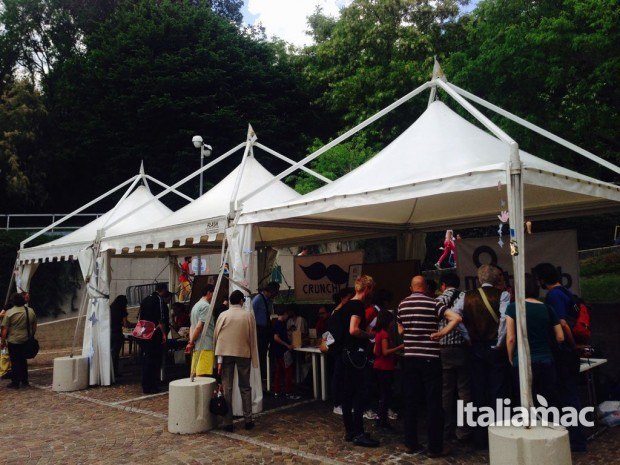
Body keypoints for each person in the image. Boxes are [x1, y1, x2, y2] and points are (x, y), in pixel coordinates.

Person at [398, 276, 461, 457]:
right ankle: (435, 447)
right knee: (434, 403)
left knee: (410, 402)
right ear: (425, 287)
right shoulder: (433, 303)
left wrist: (412, 331)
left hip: (410, 358)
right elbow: (456, 318)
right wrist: (441, 333)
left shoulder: (402, 305)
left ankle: (410, 443)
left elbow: (401, 330)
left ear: (411, 288)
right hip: (430, 358)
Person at [533, 262, 587, 452]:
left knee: (568, 396)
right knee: (570, 394)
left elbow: (562, 324)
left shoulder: (554, 296)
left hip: (564, 353)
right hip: (569, 353)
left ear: (541, 279)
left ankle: (576, 440)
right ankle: (577, 437)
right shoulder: (565, 292)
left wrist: (571, 345)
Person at [458, 264, 511, 450]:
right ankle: (501, 434)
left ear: (479, 278)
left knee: (477, 391)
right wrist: (500, 341)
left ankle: (480, 437)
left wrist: (467, 336)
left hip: (475, 347)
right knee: (498, 391)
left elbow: (455, 318)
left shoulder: (465, 296)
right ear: (496, 278)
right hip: (495, 347)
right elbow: (505, 319)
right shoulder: (503, 295)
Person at [505, 273, 564, 407]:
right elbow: (560, 336)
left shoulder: (513, 308)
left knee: (525, 400)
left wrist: (510, 357)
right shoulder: (547, 308)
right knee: (547, 400)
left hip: (522, 360)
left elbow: (511, 338)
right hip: (546, 359)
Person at [339, 275, 380, 448]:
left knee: (348, 395)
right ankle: (358, 432)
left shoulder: (345, 305)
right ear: (368, 288)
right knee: (359, 394)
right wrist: (369, 334)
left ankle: (350, 431)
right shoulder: (357, 306)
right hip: (355, 355)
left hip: (345, 355)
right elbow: (353, 330)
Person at [214, 290, 259, 432]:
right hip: (243, 353)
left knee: (227, 388)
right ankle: (248, 420)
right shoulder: (248, 315)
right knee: (245, 387)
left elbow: (216, 335)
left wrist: (218, 357)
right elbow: (253, 337)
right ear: (241, 301)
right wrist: (254, 357)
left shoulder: (223, 315)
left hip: (226, 353)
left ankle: (228, 422)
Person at [436, 273, 471, 442]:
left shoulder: (437, 300)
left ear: (443, 285)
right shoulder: (466, 297)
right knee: (464, 391)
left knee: (446, 391)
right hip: (462, 348)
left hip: (443, 349)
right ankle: (464, 430)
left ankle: (444, 429)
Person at [373, 310, 403, 429]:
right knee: (386, 395)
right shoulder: (385, 334)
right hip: (385, 367)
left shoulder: (378, 333)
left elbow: (375, 351)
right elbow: (385, 352)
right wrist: (399, 348)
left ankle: (380, 419)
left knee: (382, 395)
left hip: (378, 366)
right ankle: (382, 420)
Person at [138, 283, 171, 394]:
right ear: (164, 290)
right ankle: (152, 384)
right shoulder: (159, 300)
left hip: (144, 332)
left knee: (146, 359)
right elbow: (161, 319)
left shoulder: (145, 299)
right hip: (155, 334)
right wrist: (164, 334)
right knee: (154, 360)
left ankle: (146, 384)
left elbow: (140, 317)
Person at [1, 292, 37, 388]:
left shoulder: (9, 313)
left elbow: (4, 330)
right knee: (23, 360)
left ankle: (15, 382)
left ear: (13, 302)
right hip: (26, 339)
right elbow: (34, 326)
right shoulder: (30, 311)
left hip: (13, 340)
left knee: (15, 361)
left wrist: (3, 342)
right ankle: (25, 380)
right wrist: (31, 336)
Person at [328, 287, 354, 416]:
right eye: (349, 298)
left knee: (343, 377)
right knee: (338, 376)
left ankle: (343, 403)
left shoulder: (341, 312)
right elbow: (335, 335)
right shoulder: (337, 313)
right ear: (343, 298)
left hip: (342, 350)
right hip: (339, 350)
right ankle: (337, 403)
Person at [251, 281, 279, 379]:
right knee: (260, 352)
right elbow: (251, 313)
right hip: (259, 329)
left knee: (268, 351)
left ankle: (267, 373)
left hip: (267, 328)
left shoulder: (270, 301)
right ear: (271, 291)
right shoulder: (258, 299)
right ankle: (259, 375)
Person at [186, 285, 215, 377]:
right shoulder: (206, 306)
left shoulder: (195, 306)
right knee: (203, 376)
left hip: (197, 345)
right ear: (209, 293)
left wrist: (191, 341)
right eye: (213, 293)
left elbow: (192, 327)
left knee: (197, 374)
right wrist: (191, 342)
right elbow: (199, 327)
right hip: (205, 344)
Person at [271, 307, 300, 400]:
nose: (287, 317)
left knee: (278, 372)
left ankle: (277, 391)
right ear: (284, 314)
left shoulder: (277, 324)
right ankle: (289, 392)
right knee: (288, 371)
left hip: (278, 352)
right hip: (283, 352)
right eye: (287, 314)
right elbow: (276, 337)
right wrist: (287, 345)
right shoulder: (279, 324)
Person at [110, 295, 130, 379]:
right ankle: (115, 372)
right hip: (117, 333)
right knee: (115, 354)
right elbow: (126, 324)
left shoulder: (110, 308)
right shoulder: (122, 310)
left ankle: (109, 372)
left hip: (109, 333)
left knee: (110, 353)